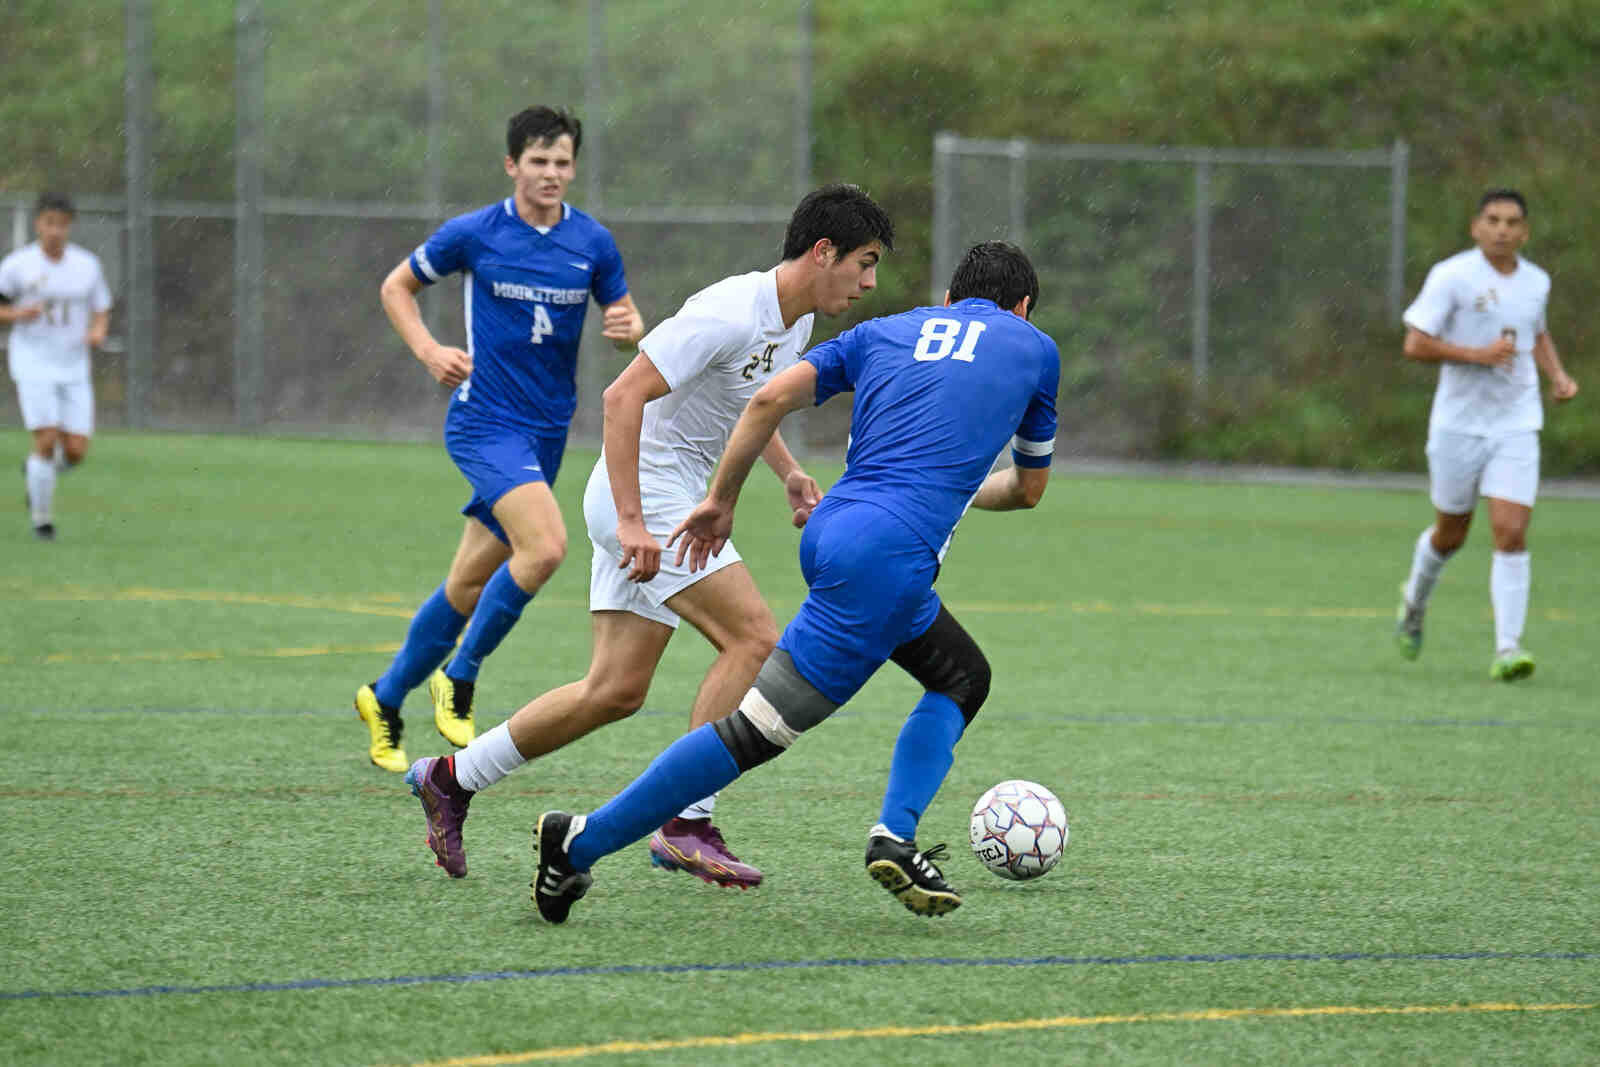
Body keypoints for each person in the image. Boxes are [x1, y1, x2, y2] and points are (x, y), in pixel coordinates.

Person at [528, 240, 1060, 923]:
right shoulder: (1035, 347)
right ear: (1021, 309)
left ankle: (895, 834)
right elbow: (1028, 488)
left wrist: (721, 499)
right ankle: (577, 841)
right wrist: (954, 489)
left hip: (838, 528)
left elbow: (768, 398)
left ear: (950, 301)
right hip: (888, 561)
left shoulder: (881, 331)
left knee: (962, 676)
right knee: (754, 733)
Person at [403, 184, 894, 886]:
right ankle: (687, 821)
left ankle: (451, 777)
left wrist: (784, 470)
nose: (870, 282)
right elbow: (621, 395)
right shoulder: (729, 310)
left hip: (659, 498)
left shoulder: (795, 321)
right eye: (864, 262)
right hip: (645, 496)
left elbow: (749, 404)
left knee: (613, 690)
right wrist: (632, 519)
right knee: (753, 637)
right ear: (823, 252)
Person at [354, 106, 644, 772]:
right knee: (544, 549)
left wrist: (629, 325)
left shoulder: (593, 244)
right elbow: (396, 286)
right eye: (538, 161)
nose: (551, 173)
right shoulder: (475, 234)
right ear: (512, 165)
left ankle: (384, 696)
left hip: (545, 435)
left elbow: (626, 317)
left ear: (574, 168)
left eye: (562, 162)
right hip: (485, 422)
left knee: (466, 582)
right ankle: (460, 675)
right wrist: (429, 350)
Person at [1392, 188, 1578, 681]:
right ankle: (1414, 604)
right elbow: (1415, 344)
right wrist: (1477, 356)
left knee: (1511, 532)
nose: (1502, 230)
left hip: (1517, 422)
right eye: (1493, 220)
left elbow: (1536, 332)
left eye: (1512, 222)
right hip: (1457, 425)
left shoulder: (1536, 281)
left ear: (1525, 231)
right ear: (1476, 227)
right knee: (1451, 535)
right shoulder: (1451, 276)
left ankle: (1507, 648)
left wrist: (1556, 375)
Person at [0, 193, 112, 541]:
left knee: (75, 451)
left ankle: (36, 472)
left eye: (61, 225)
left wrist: (97, 330)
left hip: (74, 366)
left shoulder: (87, 265)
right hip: (32, 362)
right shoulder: (17, 265)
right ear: (38, 225)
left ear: (69, 226)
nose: (55, 231)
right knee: (47, 440)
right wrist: (18, 314)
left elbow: (101, 306)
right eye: (49, 223)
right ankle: (42, 521)